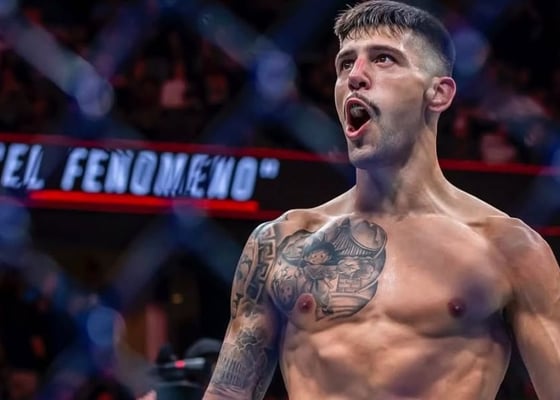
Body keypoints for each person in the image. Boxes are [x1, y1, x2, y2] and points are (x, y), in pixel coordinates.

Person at [201, 1, 560, 399]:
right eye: (345, 64)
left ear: (438, 93)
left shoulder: (506, 248)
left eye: (383, 59)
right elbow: (227, 393)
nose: (355, 76)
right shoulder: (283, 242)